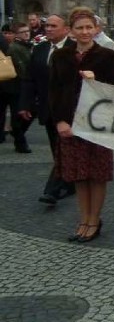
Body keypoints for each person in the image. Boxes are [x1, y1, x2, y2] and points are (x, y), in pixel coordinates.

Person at [48, 7, 114, 242]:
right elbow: (54, 91)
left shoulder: (106, 56)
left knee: (96, 174)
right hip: (70, 123)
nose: (85, 32)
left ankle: (94, 220)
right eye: (80, 28)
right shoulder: (61, 56)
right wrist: (60, 120)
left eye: (89, 27)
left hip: (97, 123)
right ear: (71, 31)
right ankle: (84, 218)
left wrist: (96, 80)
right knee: (79, 174)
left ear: (96, 29)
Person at [18, 14, 76, 205]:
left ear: (66, 29)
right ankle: (69, 182)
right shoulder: (40, 49)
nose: (48, 29)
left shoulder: (74, 50)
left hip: (70, 111)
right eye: (47, 25)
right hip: (47, 109)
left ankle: (52, 190)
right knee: (56, 149)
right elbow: (30, 79)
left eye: (53, 26)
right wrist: (25, 104)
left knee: (63, 149)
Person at [1, 22, 33, 153]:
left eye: (27, 31)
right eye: (23, 32)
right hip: (14, 86)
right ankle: (20, 142)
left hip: (10, 85)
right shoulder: (16, 48)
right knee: (18, 116)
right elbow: (24, 68)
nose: (26, 33)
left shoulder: (22, 46)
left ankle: (17, 140)